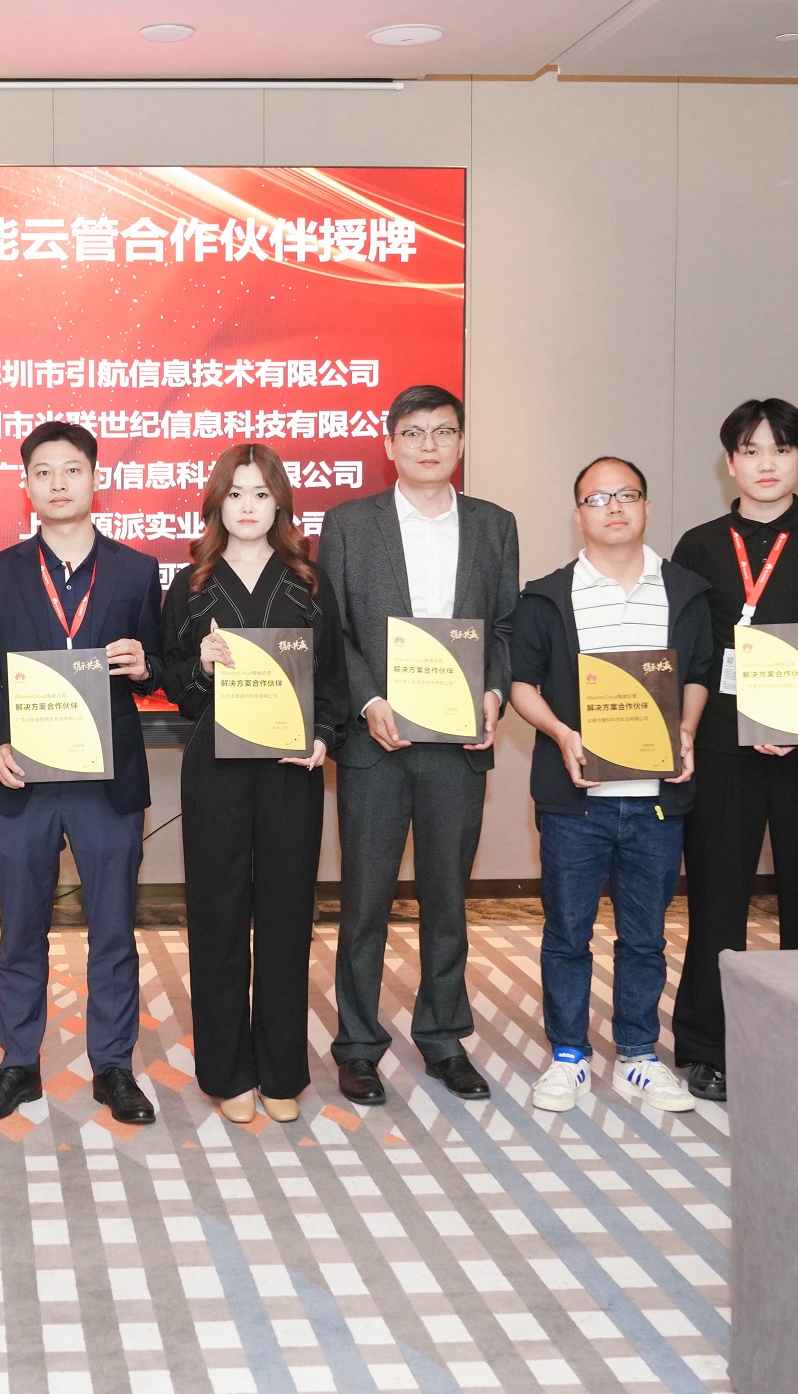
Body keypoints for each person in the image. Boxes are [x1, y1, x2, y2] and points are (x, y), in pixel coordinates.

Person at [665, 400, 798, 1102]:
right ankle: (709, 1047)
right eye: (752, 450)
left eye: (781, 450)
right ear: (730, 462)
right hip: (724, 749)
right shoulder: (700, 544)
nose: (766, 463)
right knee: (717, 902)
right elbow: (689, 654)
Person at [316, 384, 518, 1107]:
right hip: (377, 744)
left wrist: (494, 692)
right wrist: (368, 701)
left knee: (448, 900)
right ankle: (358, 1046)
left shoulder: (494, 525)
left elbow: (503, 627)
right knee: (365, 902)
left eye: (443, 431)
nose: (429, 444)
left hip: (458, 744)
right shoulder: (348, 523)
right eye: (413, 432)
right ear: (389, 443)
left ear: (461, 441)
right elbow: (335, 630)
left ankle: (443, 1038)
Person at [0, 420, 167, 1126]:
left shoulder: (137, 570)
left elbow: (157, 667)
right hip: (26, 780)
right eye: (43, 472)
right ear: (25, 485)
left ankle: (113, 1067)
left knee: (113, 931)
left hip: (108, 784)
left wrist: (145, 667)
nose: (58, 483)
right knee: (20, 931)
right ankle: (18, 1064)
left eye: (72, 470)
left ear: (95, 479)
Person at [507, 456, 714, 1115]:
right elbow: (520, 685)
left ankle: (637, 1056)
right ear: (579, 515)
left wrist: (686, 729)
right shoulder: (547, 596)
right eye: (598, 498)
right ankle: (568, 1055)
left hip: (657, 800)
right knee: (567, 932)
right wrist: (561, 733)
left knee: (646, 936)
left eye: (627, 494)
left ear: (647, 506)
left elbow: (699, 674)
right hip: (574, 801)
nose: (614, 507)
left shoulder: (685, 592)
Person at [160, 445, 343, 1125]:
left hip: (291, 772)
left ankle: (281, 1071)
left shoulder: (309, 583)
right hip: (216, 771)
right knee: (218, 918)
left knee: (288, 917)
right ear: (217, 503)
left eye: (261, 494)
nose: (247, 506)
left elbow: (332, 680)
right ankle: (227, 1071)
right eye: (235, 493)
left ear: (281, 505)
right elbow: (173, 682)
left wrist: (324, 736)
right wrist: (201, 667)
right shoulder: (191, 585)